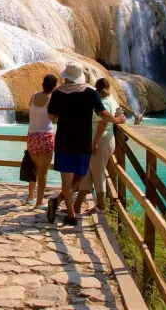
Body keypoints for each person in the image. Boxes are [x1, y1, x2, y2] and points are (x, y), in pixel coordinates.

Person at [46, 62, 116, 227]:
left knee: (66, 179)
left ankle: (69, 212)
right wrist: (117, 120)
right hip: (83, 141)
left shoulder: (58, 93)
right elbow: (102, 113)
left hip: (64, 140)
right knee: (81, 176)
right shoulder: (90, 92)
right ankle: (65, 207)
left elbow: (51, 116)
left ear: (66, 77)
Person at [73, 78, 127, 214]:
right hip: (100, 139)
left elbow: (103, 123)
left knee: (97, 172)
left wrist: (95, 142)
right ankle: (77, 205)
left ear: (96, 88)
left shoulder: (104, 102)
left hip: (100, 140)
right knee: (88, 172)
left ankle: (101, 205)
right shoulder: (110, 100)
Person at [26, 74, 58, 208]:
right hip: (45, 135)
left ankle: (30, 196)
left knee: (34, 167)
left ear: (42, 84)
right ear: (54, 86)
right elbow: (54, 117)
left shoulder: (33, 96)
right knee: (43, 171)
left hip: (32, 136)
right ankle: (39, 202)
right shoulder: (52, 99)